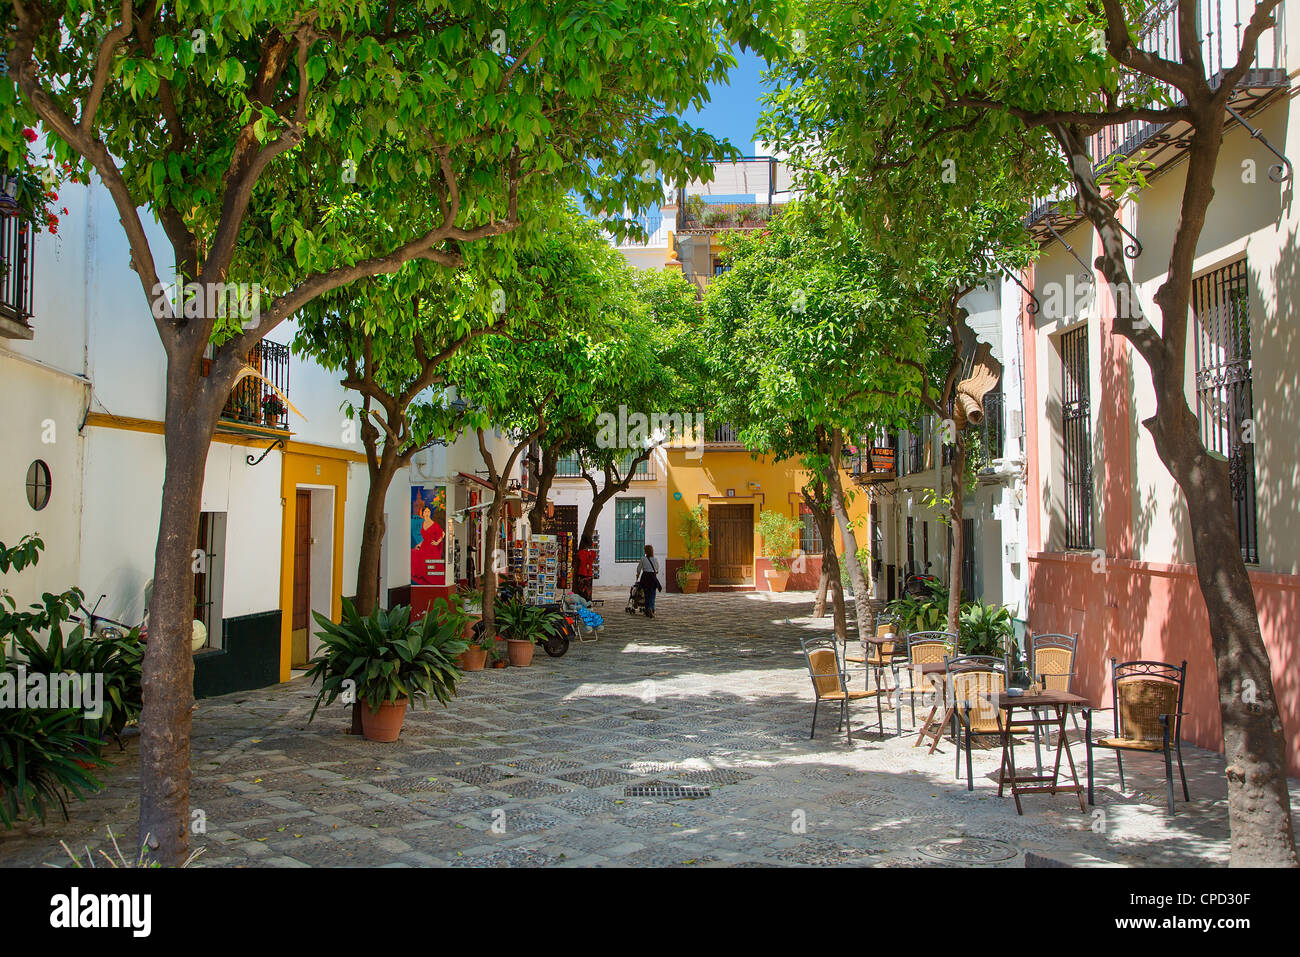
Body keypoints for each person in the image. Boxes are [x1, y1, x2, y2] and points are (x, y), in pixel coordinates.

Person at [637, 544, 661, 618]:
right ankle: (652, 609)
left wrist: (637, 574)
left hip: (645, 577)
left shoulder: (643, 559)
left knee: (646, 594)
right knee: (652, 594)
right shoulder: (655, 559)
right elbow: (657, 569)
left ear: (645, 551)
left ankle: (647, 610)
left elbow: (639, 568)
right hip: (652, 577)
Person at [574, 535, 596, 601]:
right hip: (589, 574)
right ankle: (588, 603)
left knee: (581, 591)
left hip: (582, 573)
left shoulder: (581, 553)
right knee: (588, 592)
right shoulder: (592, 553)